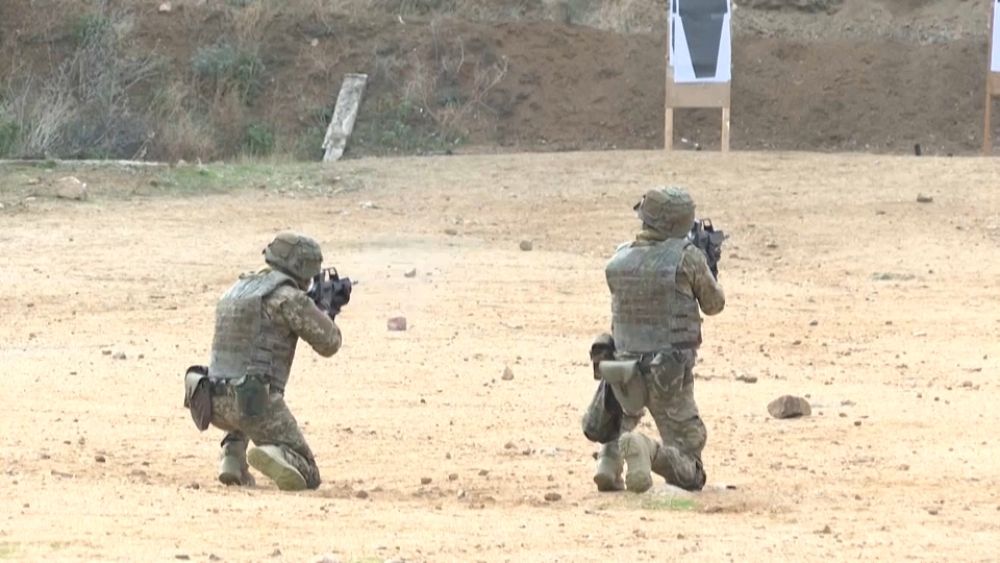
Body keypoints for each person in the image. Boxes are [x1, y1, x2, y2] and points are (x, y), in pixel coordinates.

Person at [183, 232, 342, 491]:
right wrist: (325, 312)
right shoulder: (289, 297)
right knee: (309, 473)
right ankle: (279, 455)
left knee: (246, 383)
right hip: (253, 403)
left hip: (210, 399)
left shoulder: (236, 289)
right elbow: (330, 344)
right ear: (302, 267)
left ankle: (232, 458)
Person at [592, 187, 725, 493]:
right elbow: (714, 305)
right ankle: (648, 451)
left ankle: (609, 462)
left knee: (626, 412)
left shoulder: (619, 257)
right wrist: (707, 268)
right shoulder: (687, 258)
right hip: (668, 373)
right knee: (692, 470)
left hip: (623, 370)